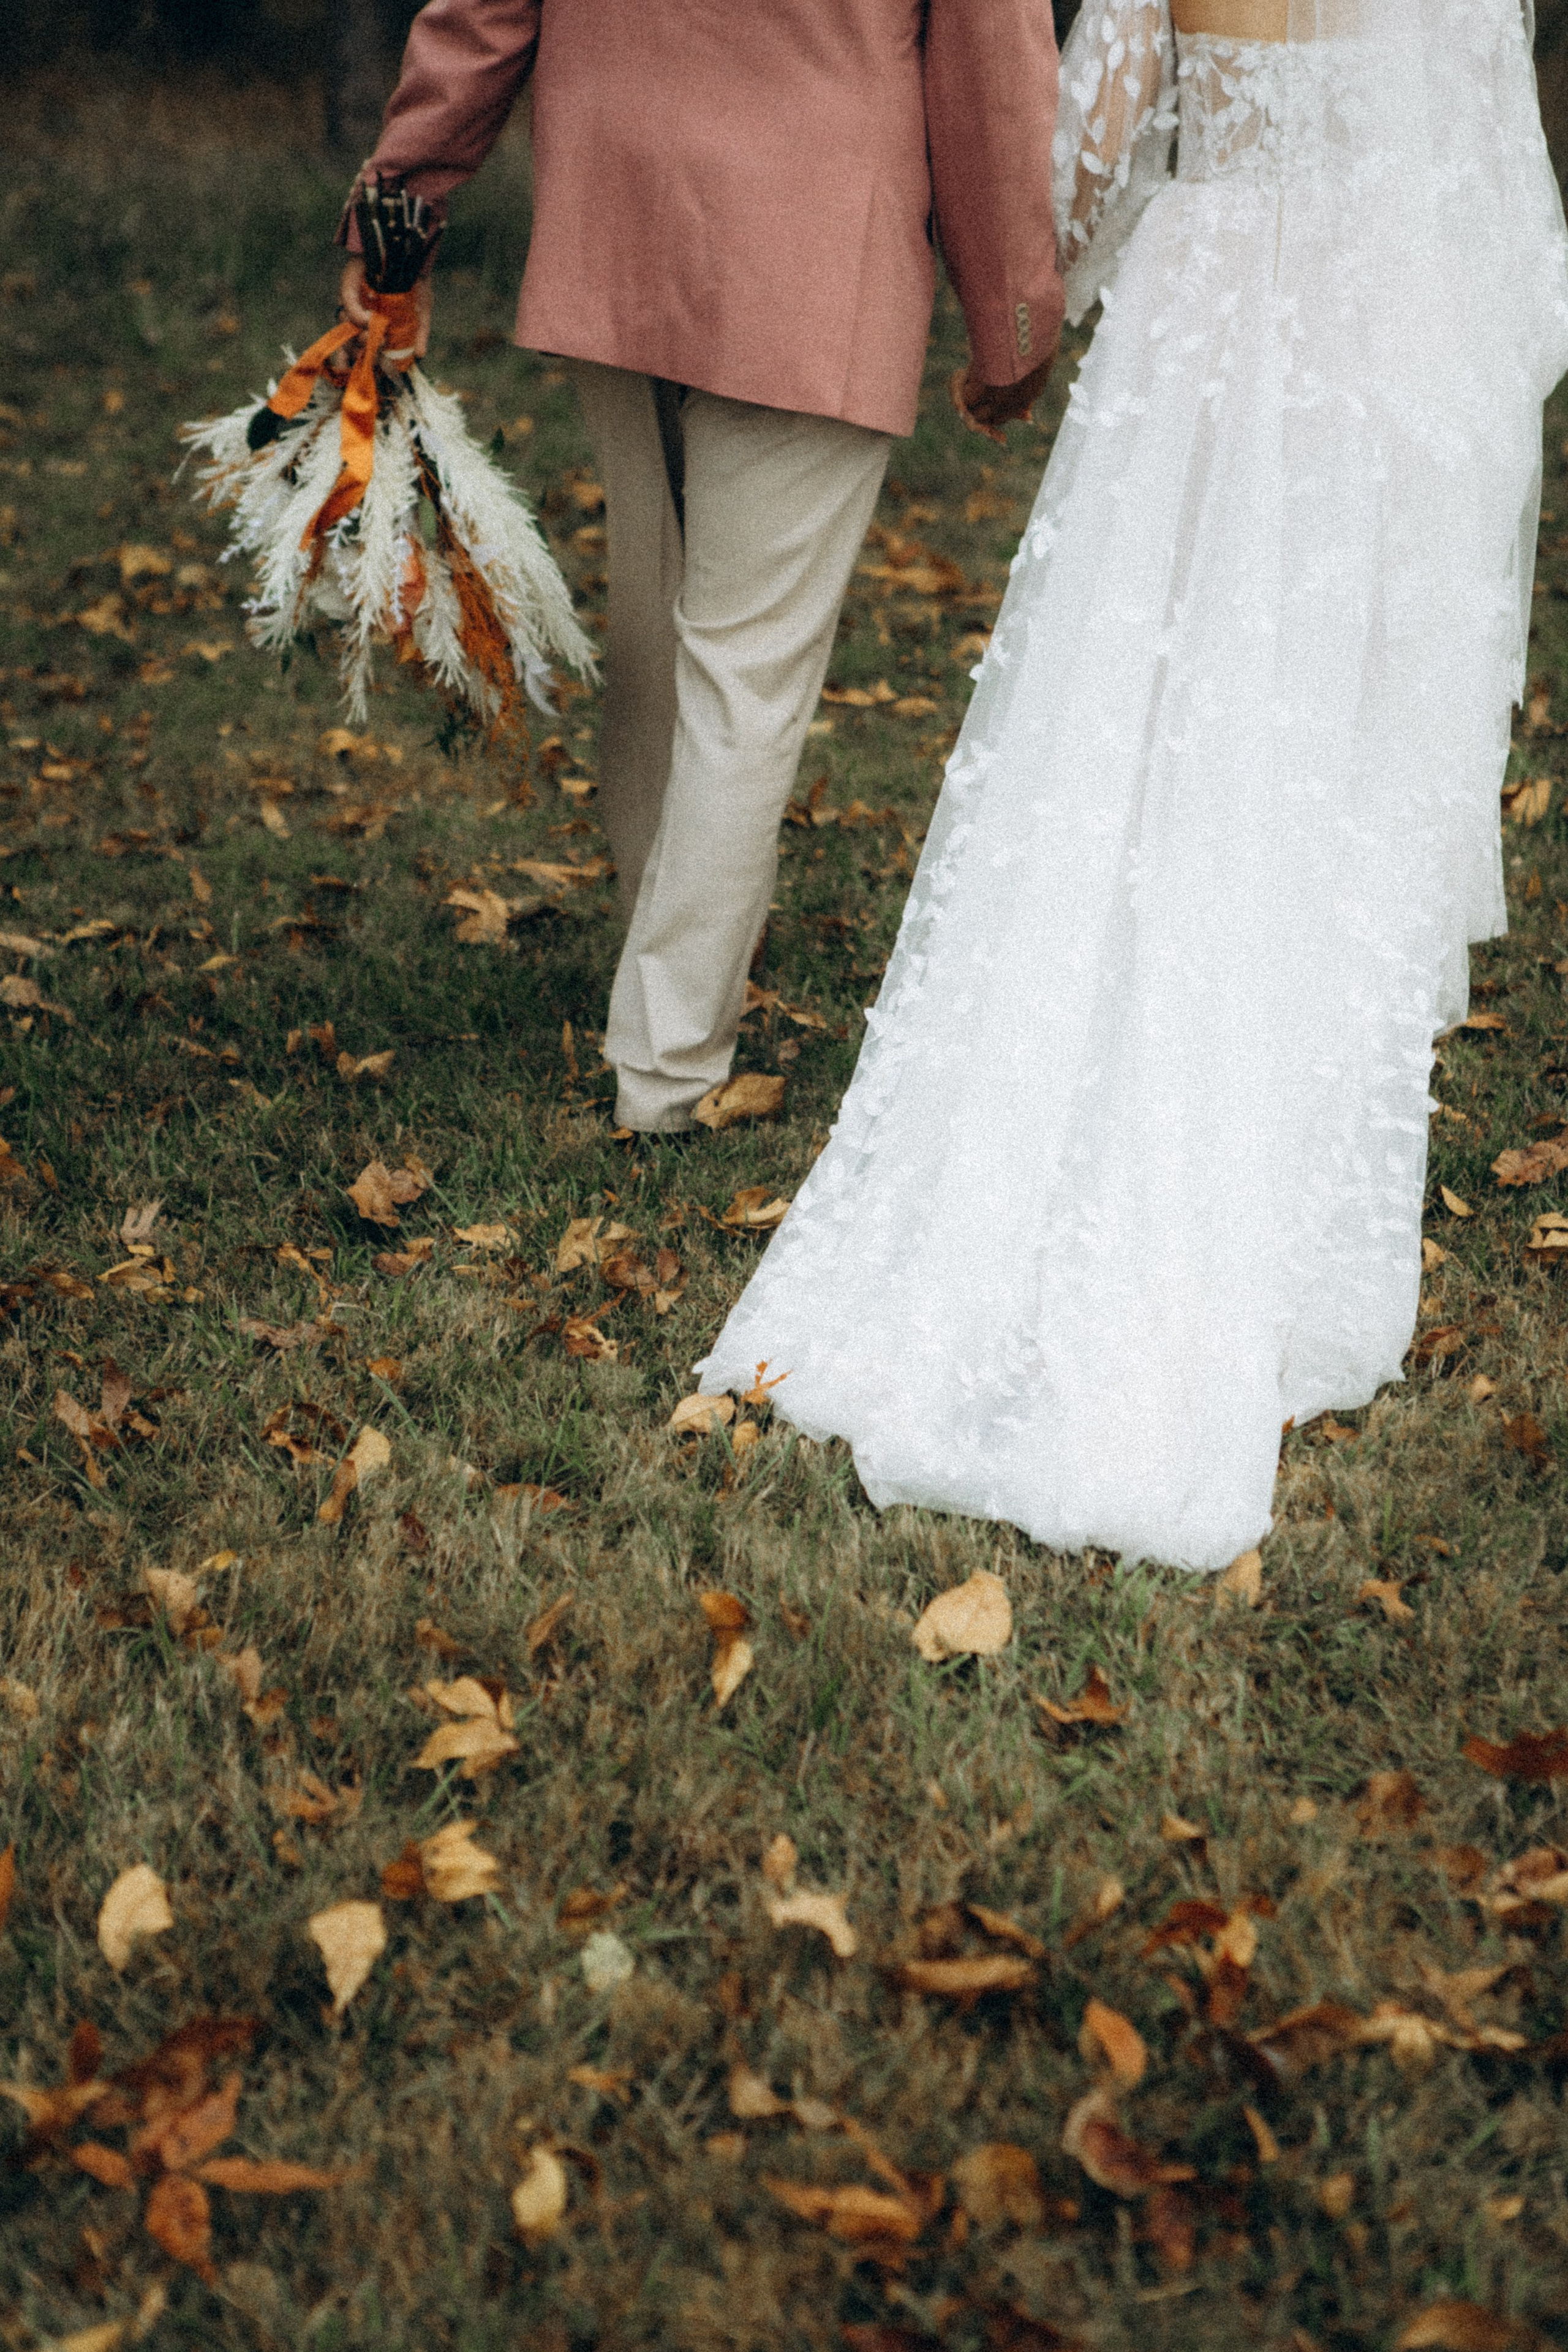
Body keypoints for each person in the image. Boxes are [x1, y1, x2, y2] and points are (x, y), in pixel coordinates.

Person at [698, 0, 1568, 1572]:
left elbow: (1090, 149)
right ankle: (1285, 1229)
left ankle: (1099, 1101)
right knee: (1314, 768)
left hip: (1205, 324)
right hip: (1384, 334)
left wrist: (1026, 327)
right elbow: (1500, 196)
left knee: (1141, 730)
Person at [339, 0, 1065, 1132]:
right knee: (745, 664)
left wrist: (402, 207)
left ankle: (657, 957)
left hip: (618, 206)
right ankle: (668, 1065)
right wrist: (1012, 314)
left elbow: (482, 9)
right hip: (815, 232)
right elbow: (990, 72)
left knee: (660, 612)